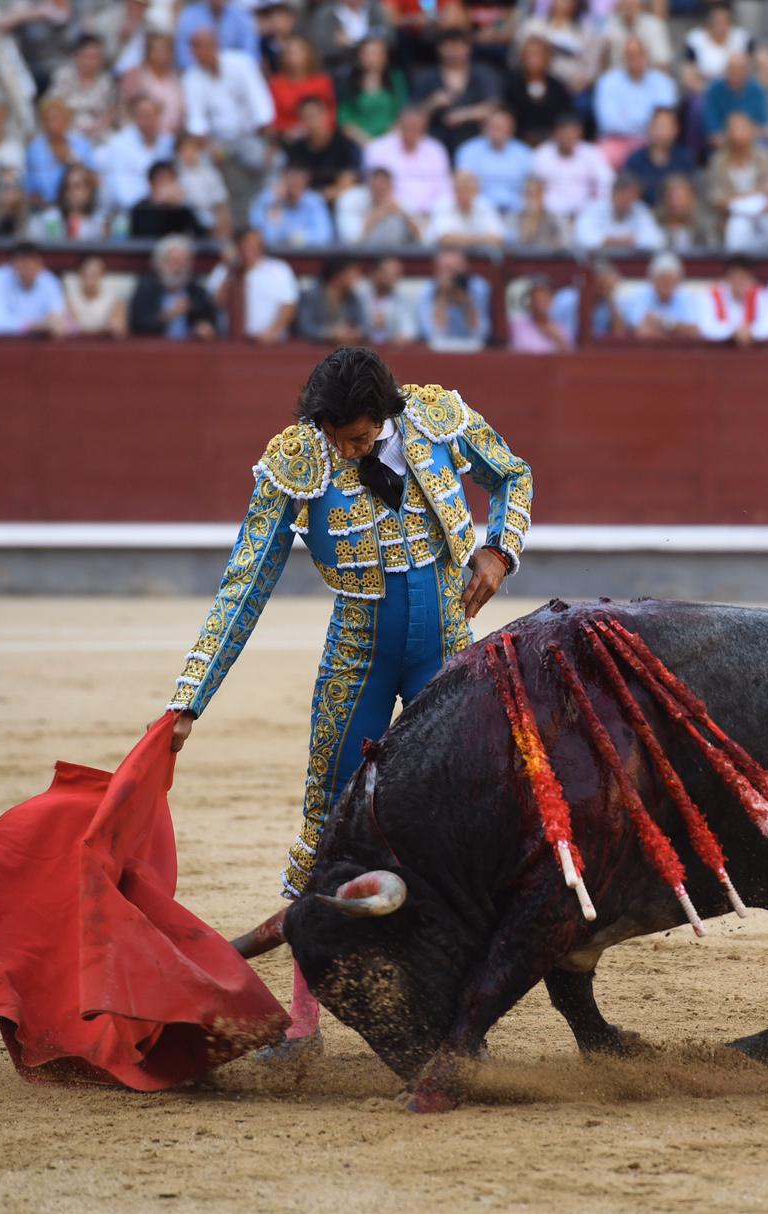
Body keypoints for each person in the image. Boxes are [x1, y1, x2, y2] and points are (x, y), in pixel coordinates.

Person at [162, 347, 532, 1048]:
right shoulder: (298, 456)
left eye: (358, 439)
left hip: (448, 647)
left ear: (386, 415)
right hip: (358, 650)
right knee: (328, 819)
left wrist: (498, 551)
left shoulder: (434, 416)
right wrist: (190, 699)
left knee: (457, 817)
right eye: (336, 438)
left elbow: (512, 475)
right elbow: (245, 581)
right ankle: (304, 1022)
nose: (346, 450)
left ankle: (454, 1006)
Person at [184, 27, 276, 220]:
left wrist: (269, 142)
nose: (199, 52)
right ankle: (213, 222)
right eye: (195, 48)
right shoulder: (191, 78)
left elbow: (261, 106)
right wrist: (209, 146)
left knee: (274, 160)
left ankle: (268, 214)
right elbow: (196, 123)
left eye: (203, 46)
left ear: (215, 45)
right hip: (218, 144)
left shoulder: (242, 63)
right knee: (195, 164)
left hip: (250, 137)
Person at [411, 26, 500, 156]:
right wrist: (432, 104)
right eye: (449, 47)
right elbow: (412, 116)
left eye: (458, 47)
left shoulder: (483, 74)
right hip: (433, 143)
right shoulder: (426, 77)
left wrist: (464, 115)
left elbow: (494, 107)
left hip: (477, 142)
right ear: (439, 49)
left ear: (468, 48)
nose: (453, 52)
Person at [593, 35, 676, 168]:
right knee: (600, 157)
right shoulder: (608, 82)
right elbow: (608, 123)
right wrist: (645, 123)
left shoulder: (663, 82)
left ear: (647, 56)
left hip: (653, 143)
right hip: (618, 141)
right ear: (623, 57)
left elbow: (665, 121)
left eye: (639, 54)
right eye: (630, 54)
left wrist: (628, 119)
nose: (635, 59)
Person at [207, 225, 299, 341]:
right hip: (229, 343)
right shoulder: (224, 269)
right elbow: (217, 303)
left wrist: (273, 332)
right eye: (247, 246)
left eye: (256, 246)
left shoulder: (279, 269)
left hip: (270, 345)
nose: (251, 250)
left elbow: (289, 305)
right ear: (238, 246)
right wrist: (232, 269)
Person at [362, 106, 451, 218]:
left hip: (432, 215)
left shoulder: (436, 150)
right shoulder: (377, 149)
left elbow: (444, 188)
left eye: (417, 127)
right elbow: (377, 189)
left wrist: (432, 213)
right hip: (393, 214)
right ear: (398, 125)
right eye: (409, 126)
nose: (413, 131)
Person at [129, 233, 219, 339]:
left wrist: (206, 329)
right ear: (159, 264)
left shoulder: (198, 292)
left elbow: (211, 322)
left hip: (191, 351)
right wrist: (171, 314)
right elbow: (138, 325)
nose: (178, 268)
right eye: (173, 261)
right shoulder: (146, 289)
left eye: (183, 262)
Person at [530, 112, 612, 221]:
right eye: (563, 132)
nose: (567, 136)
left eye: (572, 132)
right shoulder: (543, 154)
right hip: (548, 217)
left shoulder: (591, 153)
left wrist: (596, 208)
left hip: (584, 216)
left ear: (580, 132)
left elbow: (606, 182)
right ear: (555, 133)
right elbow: (533, 187)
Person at [98, 93, 175, 211]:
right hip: (134, 212)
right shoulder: (119, 145)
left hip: (166, 209)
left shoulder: (168, 143)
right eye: (143, 116)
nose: (148, 121)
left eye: (152, 115)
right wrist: (155, 199)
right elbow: (122, 192)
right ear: (134, 117)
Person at [0, 242, 68, 337]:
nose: (29, 267)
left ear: (41, 264)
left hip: (37, 342)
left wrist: (54, 324)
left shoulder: (49, 281)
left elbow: (57, 317)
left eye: (33, 262)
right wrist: (34, 326)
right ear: (12, 263)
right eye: (23, 263)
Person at [514, 0, 599, 101]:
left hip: (573, 89)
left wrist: (581, 85)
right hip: (536, 84)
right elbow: (518, 56)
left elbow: (592, 68)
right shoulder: (533, 26)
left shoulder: (586, 32)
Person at [283, 96, 363, 201]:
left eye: (313, 116)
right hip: (304, 201)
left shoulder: (343, 143)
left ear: (324, 115)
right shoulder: (297, 148)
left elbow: (347, 182)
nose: (311, 122)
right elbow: (292, 180)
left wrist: (321, 197)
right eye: (305, 117)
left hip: (336, 199)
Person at [454, 107, 531, 214]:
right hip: (479, 212)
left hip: (517, 211)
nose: (497, 131)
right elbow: (464, 185)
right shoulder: (469, 151)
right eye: (494, 127)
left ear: (512, 129)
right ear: (484, 128)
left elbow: (531, 187)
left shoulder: (524, 153)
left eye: (502, 127)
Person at [0, 0, 79, 95]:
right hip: (34, 71)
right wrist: (37, 13)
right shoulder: (31, 4)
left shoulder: (78, 8)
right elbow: (1, 23)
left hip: (67, 73)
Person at [336, 36, 408, 145]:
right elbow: (345, 119)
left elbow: (403, 111)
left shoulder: (396, 78)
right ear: (360, 56)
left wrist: (386, 140)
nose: (371, 58)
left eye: (376, 53)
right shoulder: (350, 82)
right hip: (360, 141)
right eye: (366, 53)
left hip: (393, 138)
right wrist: (368, 143)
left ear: (385, 57)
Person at [47, 33, 118, 142]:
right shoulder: (63, 76)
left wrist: (98, 126)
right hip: (68, 127)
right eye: (87, 57)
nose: (91, 62)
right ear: (77, 57)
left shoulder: (107, 81)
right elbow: (53, 106)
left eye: (96, 57)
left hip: (98, 130)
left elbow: (111, 112)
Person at [24, 96, 94, 206]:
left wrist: (75, 162)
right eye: (47, 120)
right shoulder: (35, 149)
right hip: (46, 207)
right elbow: (29, 189)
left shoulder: (81, 145)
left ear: (66, 120)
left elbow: (94, 180)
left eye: (56, 119)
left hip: (79, 206)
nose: (52, 124)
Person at [416, 247, 491, 349]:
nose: (452, 279)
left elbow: (481, 334)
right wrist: (442, 298)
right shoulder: (427, 291)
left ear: (465, 268)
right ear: (437, 270)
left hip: (471, 348)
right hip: (439, 351)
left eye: (454, 271)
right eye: (446, 270)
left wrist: (467, 303)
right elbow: (432, 335)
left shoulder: (478, 287)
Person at [705, 111, 768, 216]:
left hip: (761, 212)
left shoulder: (764, 157)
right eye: (733, 129)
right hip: (729, 214)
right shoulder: (718, 161)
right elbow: (717, 197)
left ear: (751, 130)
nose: (737, 133)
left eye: (742, 128)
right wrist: (743, 201)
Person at [697, 254, 768, 345]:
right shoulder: (711, 295)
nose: (739, 282)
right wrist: (733, 332)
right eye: (734, 277)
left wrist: (751, 332)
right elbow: (705, 327)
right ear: (726, 278)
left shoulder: (761, 295)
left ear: (752, 279)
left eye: (743, 277)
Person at [621, 107, 692, 207]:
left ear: (676, 130)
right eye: (658, 126)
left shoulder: (684, 159)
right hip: (642, 216)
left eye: (666, 126)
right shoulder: (635, 160)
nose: (662, 132)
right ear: (649, 128)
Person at [118, 29, 185, 135]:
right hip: (142, 136)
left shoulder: (178, 77)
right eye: (157, 50)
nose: (162, 54)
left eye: (166, 50)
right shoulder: (134, 76)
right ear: (148, 52)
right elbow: (128, 110)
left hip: (174, 137)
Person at [573, 172, 662, 250]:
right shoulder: (593, 208)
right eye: (624, 193)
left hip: (631, 261)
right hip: (597, 261)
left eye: (633, 195)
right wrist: (614, 241)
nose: (628, 199)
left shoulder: (641, 210)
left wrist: (626, 241)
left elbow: (654, 241)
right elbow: (583, 239)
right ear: (613, 192)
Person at [250, 163, 335, 245]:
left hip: (308, 255)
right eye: (292, 179)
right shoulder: (266, 200)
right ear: (283, 179)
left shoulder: (315, 201)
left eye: (299, 180)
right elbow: (265, 238)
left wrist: (294, 238)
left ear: (306, 181)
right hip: (275, 255)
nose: (295, 184)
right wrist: (276, 204)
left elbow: (324, 236)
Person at [335, 164, 421, 243]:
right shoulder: (351, 199)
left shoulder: (402, 201)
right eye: (377, 188)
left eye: (384, 188)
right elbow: (351, 239)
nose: (380, 191)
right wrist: (379, 213)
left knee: (394, 222)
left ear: (391, 187)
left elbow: (422, 239)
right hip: (361, 255)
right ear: (369, 186)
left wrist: (404, 217)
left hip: (396, 254)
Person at [622, 249, 698, 339]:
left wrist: (665, 323)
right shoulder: (637, 298)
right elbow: (640, 332)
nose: (666, 284)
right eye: (662, 279)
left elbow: (694, 332)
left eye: (670, 280)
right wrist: (676, 330)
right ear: (652, 280)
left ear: (678, 281)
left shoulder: (688, 298)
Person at [268, 34, 336, 133]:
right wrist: (290, 130)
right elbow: (272, 117)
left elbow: (331, 112)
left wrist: (311, 128)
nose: (293, 56)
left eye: (298, 52)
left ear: (308, 54)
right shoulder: (276, 83)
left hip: (319, 135)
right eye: (289, 52)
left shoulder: (323, 81)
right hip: (287, 136)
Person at [295, 255, 370, 342]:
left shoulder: (354, 298)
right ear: (339, 275)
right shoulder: (311, 296)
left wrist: (355, 332)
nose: (357, 278)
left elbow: (365, 327)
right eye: (353, 273)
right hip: (314, 350)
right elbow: (304, 328)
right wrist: (330, 333)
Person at [29, 162, 112, 239]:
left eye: (77, 186)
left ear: (89, 190)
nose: (71, 192)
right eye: (67, 187)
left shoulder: (99, 223)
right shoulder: (49, 218)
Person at [426, 168, 505, 246]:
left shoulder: (484, 205)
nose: (464, 192)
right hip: (437, 253)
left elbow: (497, 238)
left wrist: (466, 240)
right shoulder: (443, 204)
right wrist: (481, 239)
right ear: (454, 189)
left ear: (477, 190)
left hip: (476, 253)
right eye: (460, 187)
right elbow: (447, 239)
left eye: (468, 187)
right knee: (450, 257)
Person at [174, 132, 232, 236]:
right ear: (178, 153)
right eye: (184, 149)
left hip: (210, 226)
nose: (188, 153)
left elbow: (221, 205)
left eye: (192, 149)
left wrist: (223, 233)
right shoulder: (174, 174)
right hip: (184, 226)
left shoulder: (210, 173)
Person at [173, 0, 256, 69]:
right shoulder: (189, 16)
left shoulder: (241, 15)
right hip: (201, 73)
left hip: (236, 72)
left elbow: (250, 53)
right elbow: (183, 56)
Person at [310, 0, 392, 70]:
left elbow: (390, 36)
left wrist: (350, 43)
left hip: (380, 69)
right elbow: (322, 46)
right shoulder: (326, 14)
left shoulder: (375, 9)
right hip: (340, 69)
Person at [600, 0, 671, 72]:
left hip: (648, 76)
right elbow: (603, 65)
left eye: (632, 2)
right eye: (626, 2)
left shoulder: (655, 26)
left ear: (641, 4)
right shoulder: (610, 26)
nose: (629, 5)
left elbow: (662, 63)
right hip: (617, 77)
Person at [65, 255, 128, 336]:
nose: (90, 279)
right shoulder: (69, 299)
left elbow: (119, 329)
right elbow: (69, 330)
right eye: (86, 274)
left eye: (94, 274)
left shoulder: (116, 300)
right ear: (80, 275)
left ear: (102, 275)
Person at [508, 273, 572, 352]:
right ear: (530, 300)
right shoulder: (516, 326)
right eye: (536, 299)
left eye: (544, 298)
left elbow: (568, 355)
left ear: (551, 300)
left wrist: (557, 338)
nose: (540, 303)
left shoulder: (561, 329)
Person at [360, 255, 417, 343]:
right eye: (389, 274)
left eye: (396, 275)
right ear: (376, 273)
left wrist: (388, 327)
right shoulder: (360, 296)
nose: (394, 278)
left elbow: (409, 332)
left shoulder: (402, 300)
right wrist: (371, 324)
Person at [655, 172, 717, 251]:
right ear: (663, 199)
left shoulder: (705, 227)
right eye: (671, 197)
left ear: (692, 199)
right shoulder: (653, 225)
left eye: (681, 197)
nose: (675, 202)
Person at [512, 173, 566, 246]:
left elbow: (562, 247)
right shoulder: (514, 219)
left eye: (536, 193)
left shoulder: (554, 220)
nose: (532, 199)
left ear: (543, 195)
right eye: (529, 194)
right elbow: (510, 247)